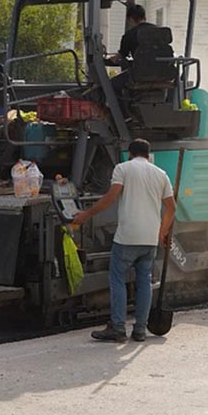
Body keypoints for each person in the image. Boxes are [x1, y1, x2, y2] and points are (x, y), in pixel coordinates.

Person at [70, 138, 176, 342]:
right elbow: (171, 208)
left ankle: (118, 328)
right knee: (144, 281)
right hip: (150, 239)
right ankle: (140, 330)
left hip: (127, 236)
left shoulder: (123, 169)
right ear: (148, 154)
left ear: (130, 153)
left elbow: (111, 197)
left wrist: (87, 214)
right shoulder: (160, 174)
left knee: (117, 279)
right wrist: (162, 233)